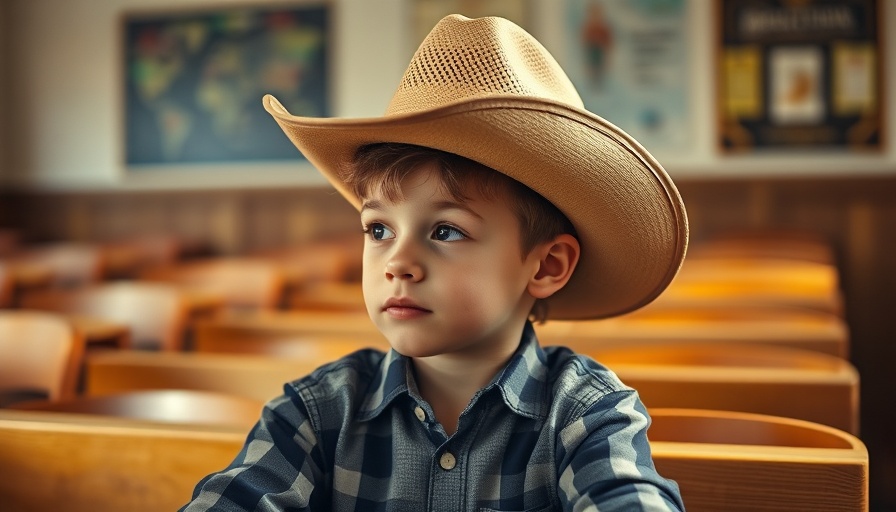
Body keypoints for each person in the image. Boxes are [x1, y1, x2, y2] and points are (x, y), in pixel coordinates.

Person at [181, 14, 688, 511]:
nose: (397, 263)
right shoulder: (317, 411)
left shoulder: (587, 413)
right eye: (379, 229)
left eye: (446, 231)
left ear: (547, 265)